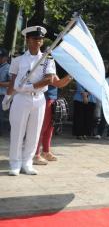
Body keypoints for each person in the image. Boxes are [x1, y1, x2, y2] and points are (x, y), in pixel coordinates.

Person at [4, 26, 55, 176]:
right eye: (35, 39)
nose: (38, 41)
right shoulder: (18, 59)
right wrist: (7, 97)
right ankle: (15, 163)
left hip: (38, 99)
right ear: (28, 40)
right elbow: (13, 81)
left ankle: (27, 163)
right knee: (17, 132)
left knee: (34, 133)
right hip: (20, 99)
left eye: (40, 39)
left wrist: (29, 86)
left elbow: (49, 79)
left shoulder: (47, 59)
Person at [33, 74, 72, 165]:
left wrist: (70, 76)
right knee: (42, 128)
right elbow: (59, 83)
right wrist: (70, 75)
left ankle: (45, 151)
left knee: (50, 128)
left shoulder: (51, 68)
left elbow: (59, 84)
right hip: (45, 100)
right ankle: (36, 154)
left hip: (52, 100)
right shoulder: (46, 69)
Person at [0, 48, 10, 136]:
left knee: (0, 115)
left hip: (2, 95)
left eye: (1, 57)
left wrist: (1, 83)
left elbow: (12, 83)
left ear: (6, 57)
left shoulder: (8, 68)